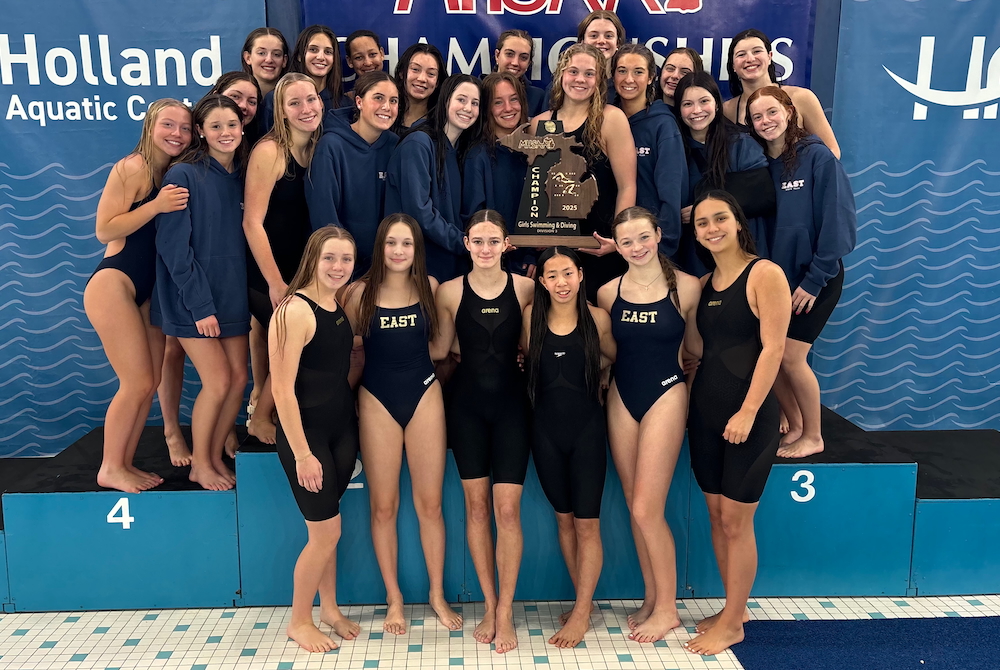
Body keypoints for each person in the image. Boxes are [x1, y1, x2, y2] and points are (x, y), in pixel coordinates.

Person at [343, 214, 463, 635]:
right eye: (392, 243)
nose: (398, 251)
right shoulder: (359, 294)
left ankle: (436, 594)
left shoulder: (429, 288)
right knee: (384, 506)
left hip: (424, 395)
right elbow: (352, 354)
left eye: (407, 244)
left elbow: (438, 350)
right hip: (376, 399)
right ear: (380, 247)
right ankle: (394, 598)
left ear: (417, 249)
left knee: (430, 504)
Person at [683, 190, 789, 657]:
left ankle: (733, 624)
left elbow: (773, 348)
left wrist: (748, 411)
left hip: (748, 415)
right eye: (702, 223)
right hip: (706, 412)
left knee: (735, 520)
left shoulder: (764, 274)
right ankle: (734, 608)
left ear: (738, 221)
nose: (711, 229)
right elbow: (699, 352)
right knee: (715, 515)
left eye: (720, 218)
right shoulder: (705, 283)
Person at [430, 210, 534, 653]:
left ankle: (506, 610)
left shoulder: (527, 287)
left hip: (513, 409)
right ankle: (490, 605)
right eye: (478, 241)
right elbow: (439, 349)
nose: (486, 248)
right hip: (467, 409)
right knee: (477, 510)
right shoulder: (450, 292)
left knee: (507, 512)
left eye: (494, 241)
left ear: (506, 244)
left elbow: (541, 340)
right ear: (467, 243)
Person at [595, 206, 700, 642]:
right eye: (626, 241)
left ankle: (669, 609)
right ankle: (652, 596)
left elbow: (695, 350)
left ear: (658, 235)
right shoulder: (607, 292)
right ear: (615, 247)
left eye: (643, 237)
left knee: (646, 508)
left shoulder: (688, 288)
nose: (636, 248)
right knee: (634, 505)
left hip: (666, 394)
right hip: (622, 396)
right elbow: (608, 351)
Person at [157, 72, 264, 467]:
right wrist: (200, 305)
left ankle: (215, 454)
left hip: (232, 294)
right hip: (193, 299)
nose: (226, 132)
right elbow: (173, 248)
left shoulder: (244, 176)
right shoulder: (183, 174)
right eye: (216, 126)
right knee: (217, 381)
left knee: (238, 380)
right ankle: (201, 463)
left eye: (232, 125)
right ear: (200, 131)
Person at [86, 99, 191, 493]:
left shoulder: (173, 172)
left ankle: (123, 463)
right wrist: (158, 206)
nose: (176, 134)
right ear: (150, 127)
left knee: (147, 383)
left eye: (183, 127)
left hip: (145, 291)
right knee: (134, 383)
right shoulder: (134, 167)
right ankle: (110, 466)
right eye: (168, 125)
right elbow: (105, 230)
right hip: (114, 283)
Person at [747, 86, 857, 458]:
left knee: (791, 357)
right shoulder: (760, 166)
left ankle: (813, 434)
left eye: (772, 113)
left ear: (790, 113)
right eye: (758, 117)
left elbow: (838, 223)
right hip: (777, 283)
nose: (766, 122)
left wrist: (814, 278)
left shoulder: (817, 157)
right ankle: (794, 425)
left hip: (816, 278)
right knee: (769, 354)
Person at [270, 226, 362, 653]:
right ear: (313, 258)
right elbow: (282, 390)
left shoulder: (335, 303)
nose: (338, 266)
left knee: (329, 530)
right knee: (325, 533)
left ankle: (329, 608)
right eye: (330, 258)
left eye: (345, 259)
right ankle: (299, 621)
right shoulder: (294, 310)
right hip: (306, 439)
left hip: (340, 429)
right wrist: (304, 454)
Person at [523, 246, 615, 649]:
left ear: (580, 275)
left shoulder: (598, 319)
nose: (561, 283)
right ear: (541, 281)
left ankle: (580, 614)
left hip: (587, 433)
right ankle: (584, 602)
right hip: (544, 433)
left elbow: (615, 358)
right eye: (552, 276)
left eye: (567, 273)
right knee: (564, 521)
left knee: (586, 524)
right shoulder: (531, 319)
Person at [243, 73, 324, 446]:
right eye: (295, 103)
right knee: (292, 340)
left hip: (303, 271)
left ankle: (270, 411)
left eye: (311, 99)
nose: (306, 108)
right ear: (281, 111)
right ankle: (260, 419)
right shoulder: (270, 151)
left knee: (300, 343)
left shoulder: (320, 146)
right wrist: (276, 282)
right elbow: (252, 223)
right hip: (268, 274)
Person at [531, 43, 637, 303]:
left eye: (589, 74)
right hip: (557, 248)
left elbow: (628, 186)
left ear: (599, 80)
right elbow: (536, 191)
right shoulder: (539, 124)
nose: (580, 79)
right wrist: (536, 234)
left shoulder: (611, 119)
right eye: (573, 71)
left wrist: (617, 239)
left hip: (600, 245)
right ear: (561, 75)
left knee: (601, 324)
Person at [674, 71, 774, 276]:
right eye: (687, 104)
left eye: (704, 101)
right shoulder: (674, 150)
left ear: (717, 104)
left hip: (740, 252)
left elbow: (762, 194)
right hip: (694, 257)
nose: (697, 110)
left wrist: (701, 210)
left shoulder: (739, 144)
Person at [385, 74, 483, 282]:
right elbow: (419, 212)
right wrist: (466, 243)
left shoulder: (459, 150)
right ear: (445, 99)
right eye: (461, 99)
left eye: (475, 103)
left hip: (451, 264)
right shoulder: (418, 143)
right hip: (421, 268)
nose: (468, 108)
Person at [308, 71, 399, 276]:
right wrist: (342, 262)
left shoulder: (395, 146)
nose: (386, 107)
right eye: (378, 98)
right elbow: (324, 215)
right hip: (341, 269)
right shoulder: (331, 146)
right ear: (359, 101)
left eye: (393, 101)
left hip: (384, 268)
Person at [612, 44, 686, 258]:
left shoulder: (663, 124)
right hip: (608, 243)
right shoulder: (603, 120)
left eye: (638, 72)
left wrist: (662, 250)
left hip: (648, 250)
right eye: (622, 70)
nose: (629, 79)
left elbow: (671, 195)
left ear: (652, 76)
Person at [723, 28, 840, 159]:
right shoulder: (728, 110)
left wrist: (803, 174)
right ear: (733, 65)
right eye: (741, 54)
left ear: (770, 57)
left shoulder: (801, 98)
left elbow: (832, 151)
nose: (750, 58)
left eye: (757, 51)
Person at [461, 72, 531, 273]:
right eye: (498, 102)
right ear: (487, 109)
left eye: (514, 99)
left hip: (533, 264)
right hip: (494, 264)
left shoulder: (536, 151)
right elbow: (474, 218)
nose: (508, 108)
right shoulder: (478, 157)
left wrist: (532, 255)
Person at [259, 26, 341, 136]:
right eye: (313, 49)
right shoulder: (274, 99)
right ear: (299, 56)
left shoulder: (343, 103)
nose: (321, 57)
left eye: (328, 52)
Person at [392, 43, 446, 131]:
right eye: (415, 69)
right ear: (402, 72)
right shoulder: (385, 113)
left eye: (431, 74)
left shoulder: (443, 123)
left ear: (437, 82)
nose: (422, 79)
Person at [493, 29, 546, 116]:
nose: (515, 63)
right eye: (509, 54)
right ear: (497, 55)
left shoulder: (537, 97)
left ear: (529, 63)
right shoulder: (479, 92)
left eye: (523, 57)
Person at [241, 28, 289, 98]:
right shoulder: (236, 99)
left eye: (276, 54)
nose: (269, 60)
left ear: (284, 61)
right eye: (261, 53)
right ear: (248, 58)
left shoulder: (296, 96)